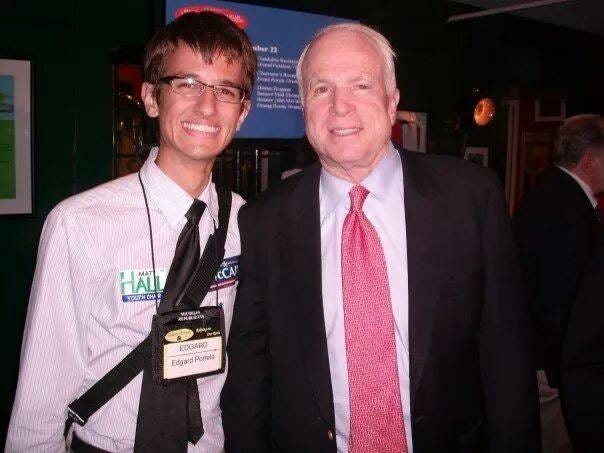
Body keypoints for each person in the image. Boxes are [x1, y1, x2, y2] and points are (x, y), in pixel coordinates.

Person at [222, 23, 540, 452]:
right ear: (303, 106)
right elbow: (249, 379)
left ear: (392, 102)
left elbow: (508, 358)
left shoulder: (470, 198)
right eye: (321, 89)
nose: (340, 107)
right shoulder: (262, 221)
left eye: (361, 85)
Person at [6, 11, 255, 452]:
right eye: (187, 83)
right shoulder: (81, 224)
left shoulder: (245, 221)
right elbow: (39, 403)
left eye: (225, 90)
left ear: (242, 112)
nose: (207, 106)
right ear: (151, 98)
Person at [514, 114, 604, 452]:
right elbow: (557, 302)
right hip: (555, 370)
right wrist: (562, 374)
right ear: (589, 160)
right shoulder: (567, 209)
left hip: (547, 363)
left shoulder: (551, 192)